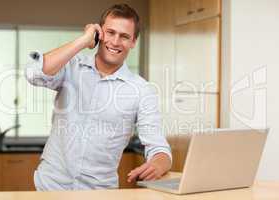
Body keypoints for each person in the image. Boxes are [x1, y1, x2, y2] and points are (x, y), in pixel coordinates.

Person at [25, 4, 172, 191]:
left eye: (125, 36)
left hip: (100, 193)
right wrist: (83, 40)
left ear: (133, 42)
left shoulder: (142, 90)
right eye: (110, 32)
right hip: (49, 188)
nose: (116, 41)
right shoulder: (71, 67)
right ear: (99, 33)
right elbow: (34, 74)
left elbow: (159, 149)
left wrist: (157, 165)